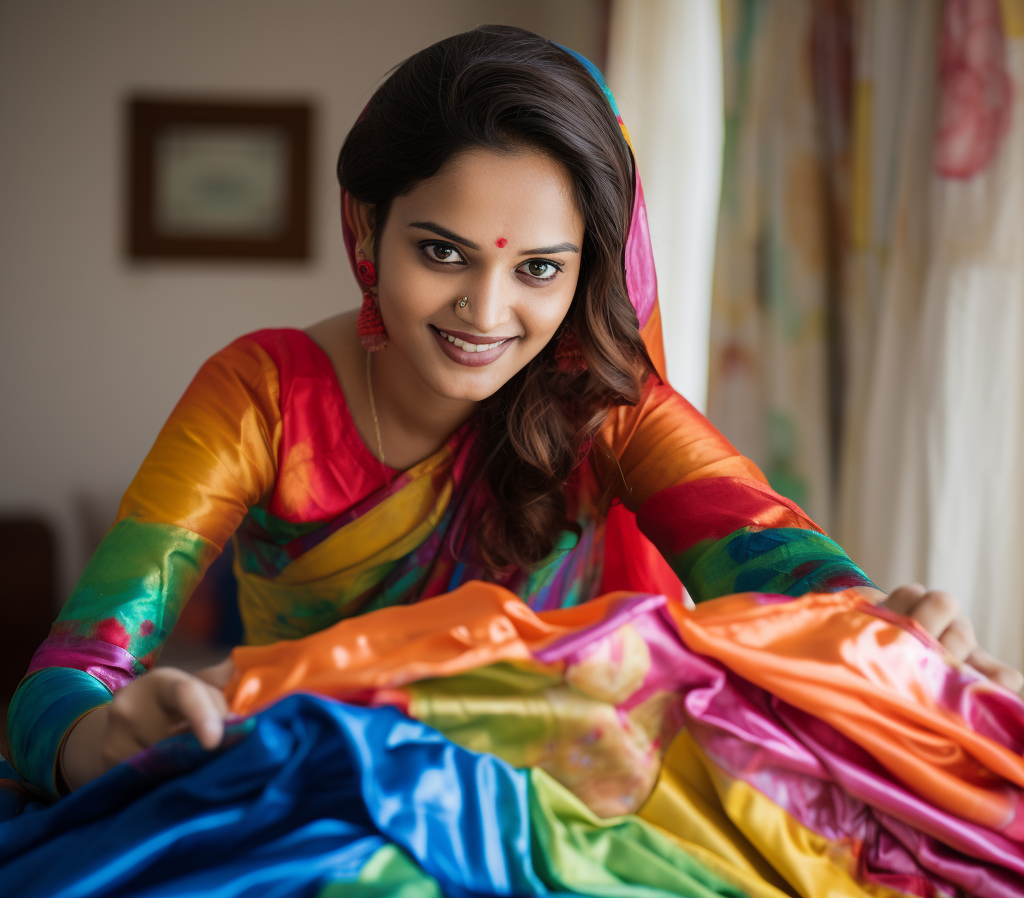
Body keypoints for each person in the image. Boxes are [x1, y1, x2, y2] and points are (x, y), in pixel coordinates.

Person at [4, 26, 1018, 800]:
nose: (485, 317)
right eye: (440, 252)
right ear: (366, 227)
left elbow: (783, 569)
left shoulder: (606, 407)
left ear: (585, 271)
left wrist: (887, 629)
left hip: (560, 812)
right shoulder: (259, 398)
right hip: (310, 808)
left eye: (538, 269)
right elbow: (60, 682)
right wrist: (105, 732)